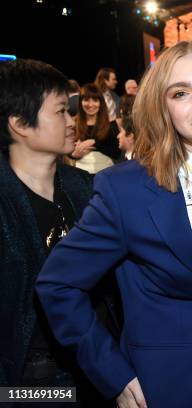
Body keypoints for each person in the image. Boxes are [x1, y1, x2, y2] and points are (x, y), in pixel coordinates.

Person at [36, 39, 192, 408]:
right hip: (166, 388)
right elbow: (57, 285)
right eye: (181, 93)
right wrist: (114, 375)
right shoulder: (125, 190)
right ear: (163, 107)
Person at [0, 59, 119, 406]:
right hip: (27, 384)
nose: (72, 121)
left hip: (97, 368)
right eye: (60, 112)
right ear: (20, 123)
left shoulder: (90, 188)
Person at [70, 83, 121, 173]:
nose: (91, 104)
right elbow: (67, 152)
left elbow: (117, 153)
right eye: (86, 100)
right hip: (80, 175)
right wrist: (74, 155)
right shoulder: (73, 124)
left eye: (95, 100)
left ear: (100, 102)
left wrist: (94, 143)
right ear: (80, 102)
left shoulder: (111, 124)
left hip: (106, 173)